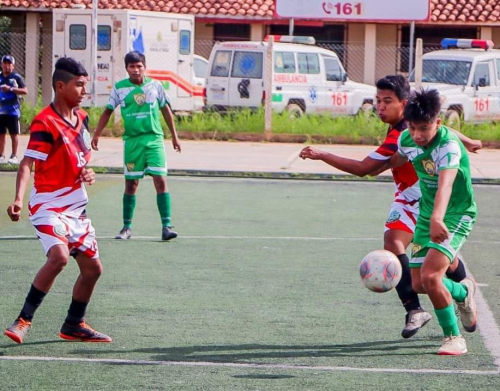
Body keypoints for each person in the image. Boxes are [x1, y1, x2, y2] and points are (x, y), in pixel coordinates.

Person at [299, 75, 481, 339]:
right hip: (410, 197)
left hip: (429, 200)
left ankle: (432, 316)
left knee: (406, 250)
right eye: (377, 100)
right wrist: (469, 140)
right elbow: (428, 135)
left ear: (403, 104)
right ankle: (457, 293)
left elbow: (366, 169)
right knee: (427, 269)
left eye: (387, 101)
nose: (380, 106)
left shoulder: (410, 131)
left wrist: (322, 155)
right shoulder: (407, 135)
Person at [4, 57, 111, 344]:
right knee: (60, 257)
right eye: (79, 85)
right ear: (60, 86)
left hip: (76, 208)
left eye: (85, 85)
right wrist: (17, 199)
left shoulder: (84, 117)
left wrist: (87, 171)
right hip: (47, 206)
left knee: (93, 269)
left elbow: (80, 157)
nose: (83, 90)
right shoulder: (45, 122)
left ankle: (74, 325)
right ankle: (23, 319)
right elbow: (27, 163)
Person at [391, 89, 477, 355]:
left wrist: (438, 218)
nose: (417, 135)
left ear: (437, 123)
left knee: (431, 276)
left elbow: (446, 186)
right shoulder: (407, 140)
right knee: (418, 283)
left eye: (424, 128)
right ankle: (463, 292)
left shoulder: (448, 147)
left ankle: (454, 338)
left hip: (455, 213)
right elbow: (399, 154)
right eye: (413, 127)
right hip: (428, 215)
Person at [92, 51, 181, 241]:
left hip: (154, 139)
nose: (135, 69)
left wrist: (174, 136)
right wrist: (97, 134)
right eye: (131, 66)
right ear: (126, 68)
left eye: (139, 65)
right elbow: (107, 111)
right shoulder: (119, 88)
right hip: (132, 142)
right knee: (131, 184)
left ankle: (167, 226)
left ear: (144, 67)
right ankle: (126, 227)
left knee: (160, 180)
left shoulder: (155, 86)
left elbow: (166, 110)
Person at [0, 55, 28, 164]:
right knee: (1, 133)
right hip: (1, 110)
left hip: (13, 110)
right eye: (5, 63)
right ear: (1, 65)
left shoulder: (16, 77)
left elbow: (25, 91)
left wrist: (11, 89)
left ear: (13, 66)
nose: (7, 66)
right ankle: (1, 155)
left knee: (14, 133)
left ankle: (14, 155)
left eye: (9, 64)